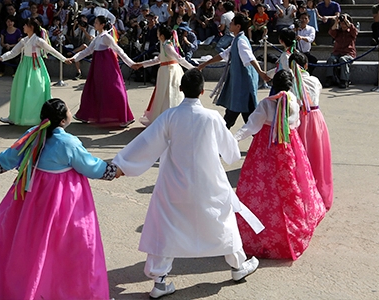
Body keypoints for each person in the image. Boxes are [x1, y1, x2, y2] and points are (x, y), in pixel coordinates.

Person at [113, 70, 261, 297]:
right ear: (203, 91)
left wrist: (121, 165)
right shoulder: (212, 118)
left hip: (174, 183)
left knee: (166, 226)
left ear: (181, 90)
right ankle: (238, 266)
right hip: (209, 182)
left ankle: (160, 280)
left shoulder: (169, 116)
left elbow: (146, 143)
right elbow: (231, 154)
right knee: (222, 220)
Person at [0, 98, 119, 300]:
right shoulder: (68, 142)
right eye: (68, 110)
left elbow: (10, 156)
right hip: (61, 201)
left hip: (31, 196)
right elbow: (90, 166)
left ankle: (26, 288)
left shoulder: (33, 135)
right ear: (62, 120)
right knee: (66, 246)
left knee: (31, 244)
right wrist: (113, 171)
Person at [234, 70, 325, 260]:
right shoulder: (293, 100)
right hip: (289, 146)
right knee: (291, 187)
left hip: (265, 149)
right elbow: (297, 123)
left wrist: (232, 140)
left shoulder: (267, 104)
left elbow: (251, 126)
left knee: (263, 190)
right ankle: (292, 231)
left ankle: (260, 232)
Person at [198, 13, 271, 129]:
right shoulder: (237, 40)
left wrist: (261, 72)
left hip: (244, 84)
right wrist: (204, 64)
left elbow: (250, 57)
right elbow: (223, 55)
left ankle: (224, 137)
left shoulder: (241, 41)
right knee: (242, 115)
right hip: (241, 84)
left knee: (242, 115)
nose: (230, 25)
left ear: (238, 26)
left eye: (232, 23)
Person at [67, 15, 138, 127]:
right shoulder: (97, 38)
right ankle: (86, 115)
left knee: (115, 90)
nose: (94, 24)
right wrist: (74, 58)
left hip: (108, 69)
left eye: (96, 22)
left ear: (102, 25)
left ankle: (124, 117)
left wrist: (131, 64)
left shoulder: (106, 37)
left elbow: (119, 51)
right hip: (97, 69)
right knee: (93, 90)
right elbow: (87, 51)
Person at [0, 17, 67, 126]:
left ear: (31, 27)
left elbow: (51, 50)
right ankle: (14, 117)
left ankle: (36, 117)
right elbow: (13, 52)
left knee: (36, 92)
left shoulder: (38, 40)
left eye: (25, 25)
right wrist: (1, 58)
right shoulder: (24, 40)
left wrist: (64, 59)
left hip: (36, 68)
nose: (23, 27)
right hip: (24, 67)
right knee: (20, 92)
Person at [289, 52, 333, 210]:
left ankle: (304, 191)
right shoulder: (315, 80)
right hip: (316, 117)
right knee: (318, 154)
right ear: (306, 65)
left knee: (301, 156)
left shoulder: (292, 84)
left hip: (300, 119)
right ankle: (319, 191)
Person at [134, 25, 195, 126]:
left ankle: (170, 119)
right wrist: (142, 64)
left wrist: (193, 69)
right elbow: (158, 59)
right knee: (164, 94)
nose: (157, 35)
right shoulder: (164, 45)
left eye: (158, 33)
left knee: (170, 93)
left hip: (170, 72)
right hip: (165, 71)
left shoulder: (167, 46)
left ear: (162, 35)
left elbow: (179, 58)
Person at [325, 14, 358, 88]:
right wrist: (336, 22)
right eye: (342, 23)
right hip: (337, 52)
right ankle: (329, 78)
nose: (343, 25)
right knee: (331, 59)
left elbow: (355, 32)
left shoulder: (351, 32)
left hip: (348, 53)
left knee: (343, 60)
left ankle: (344, 80)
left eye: (345, 24)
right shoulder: (338, 32)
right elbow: (331, 31)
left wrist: (346, 21)